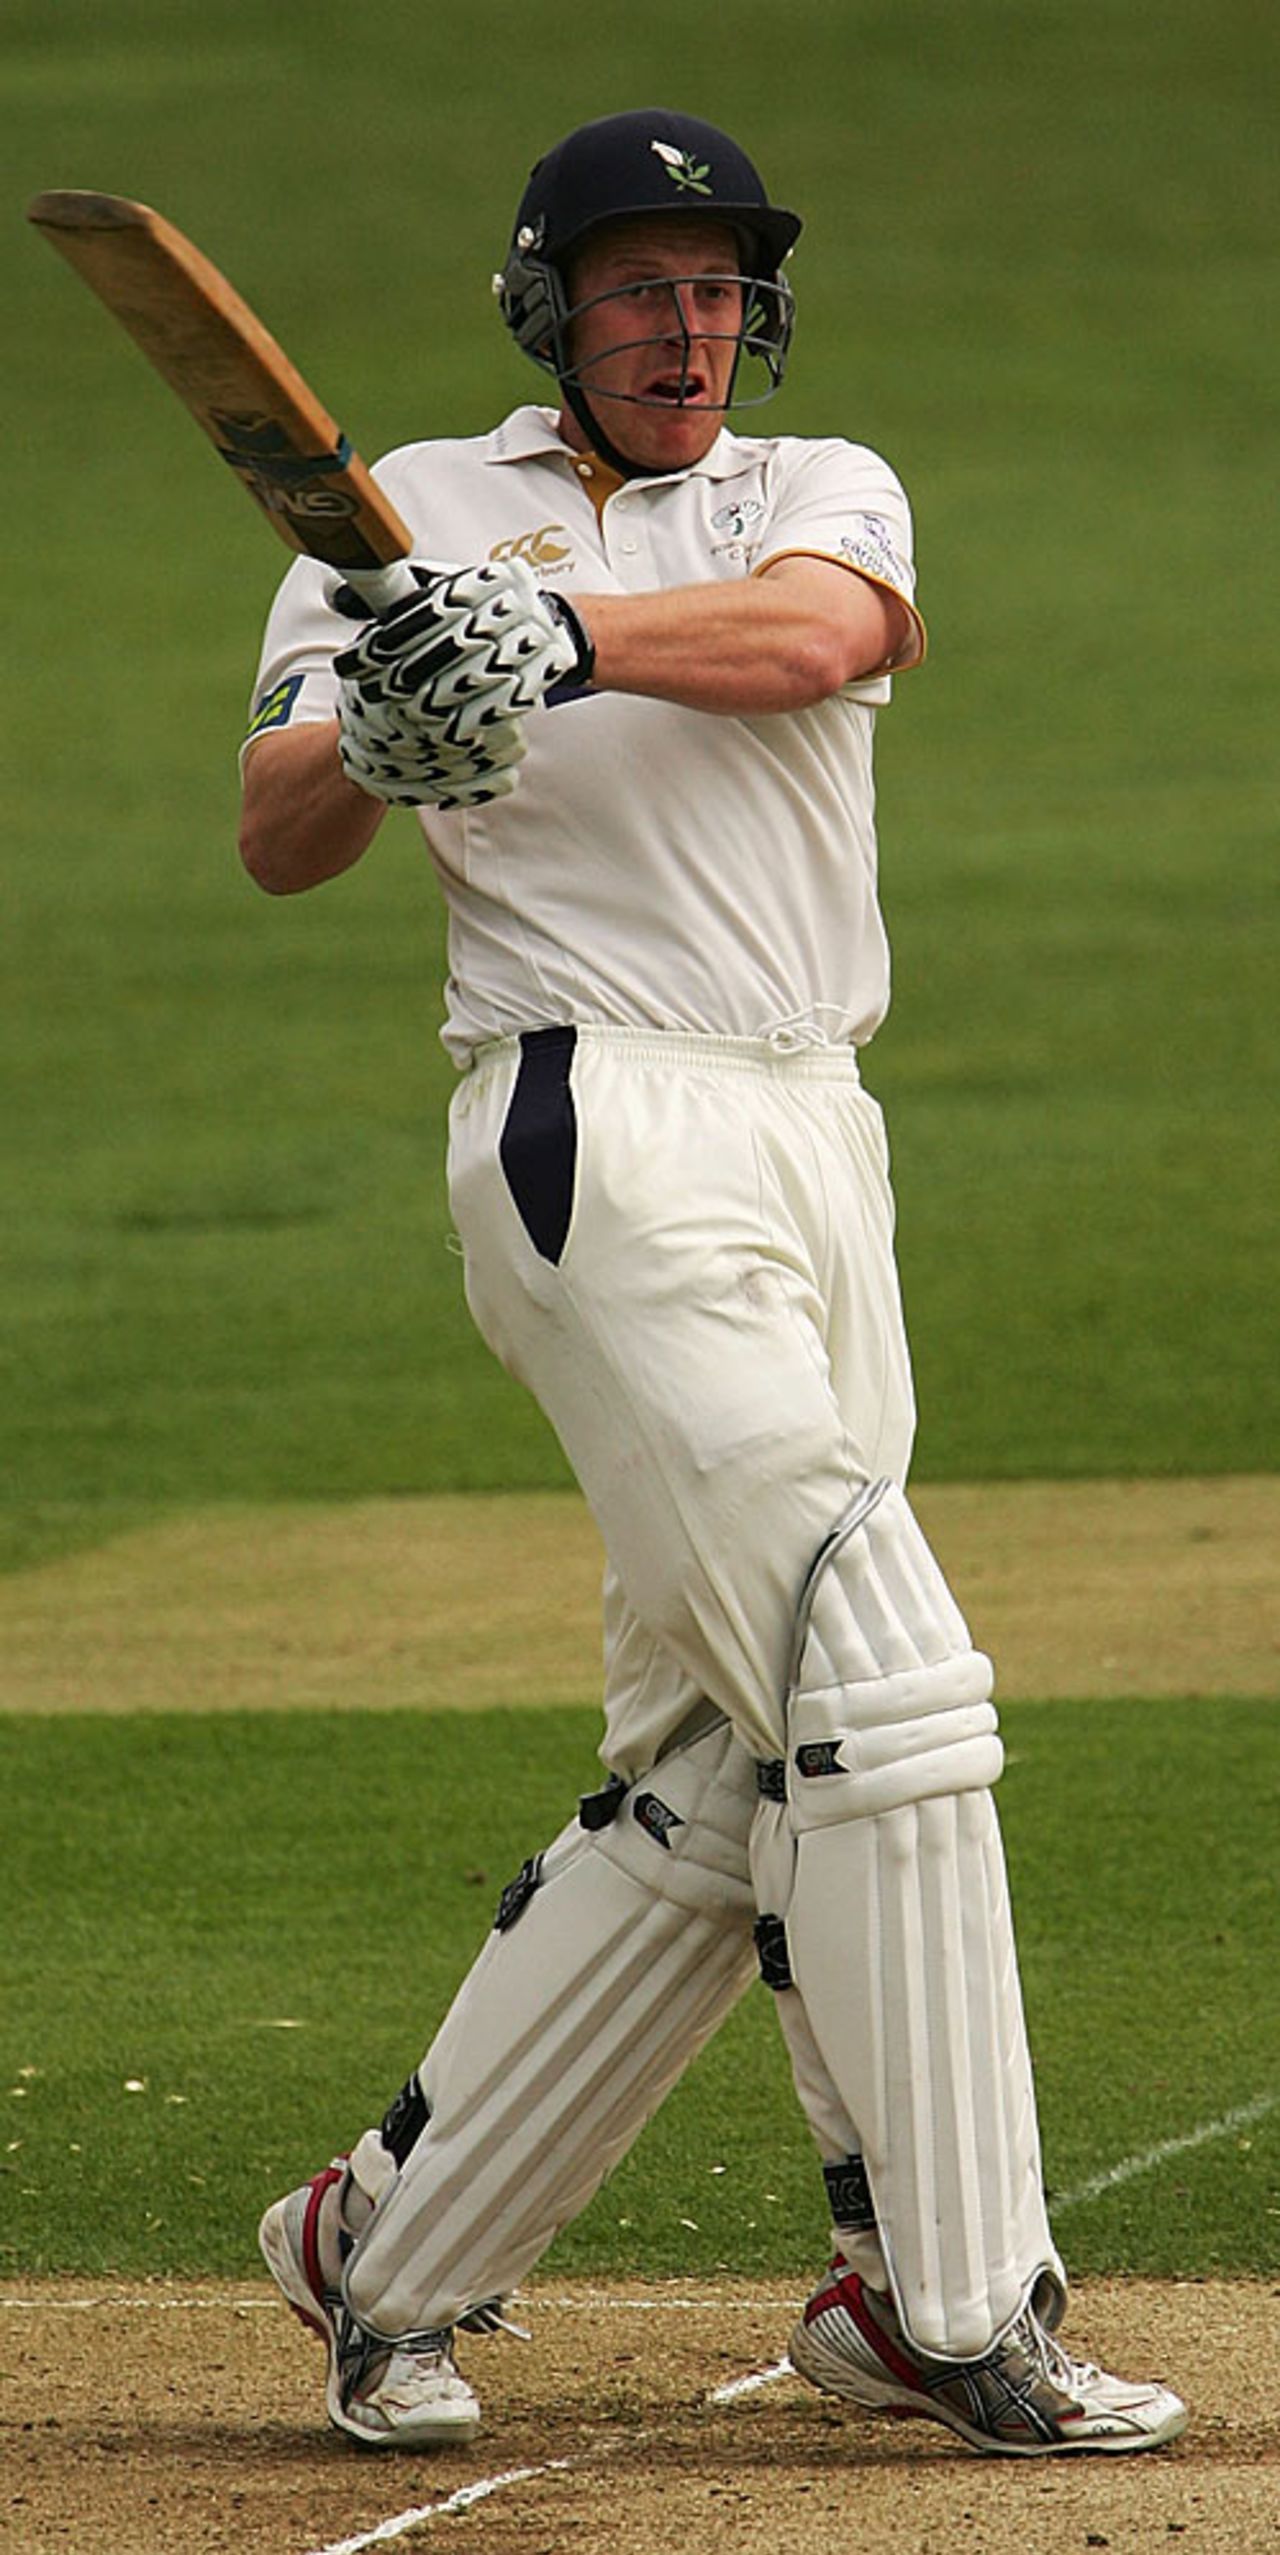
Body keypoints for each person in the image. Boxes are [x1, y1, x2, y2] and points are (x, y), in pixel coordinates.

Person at [240, 109, 1186, 2459]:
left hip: (813, 1134)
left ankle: (388, 2247)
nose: (687, 328)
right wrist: (378, 725)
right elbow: (275, 830)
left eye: (719, 289)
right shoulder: (414, 526)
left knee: (716, 1766)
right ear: (546, 306)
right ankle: (957, 2295)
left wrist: (555, 640)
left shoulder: (809, 486)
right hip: (598, 1119)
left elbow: (823, 641)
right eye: (639, 288)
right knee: (886, 1687)